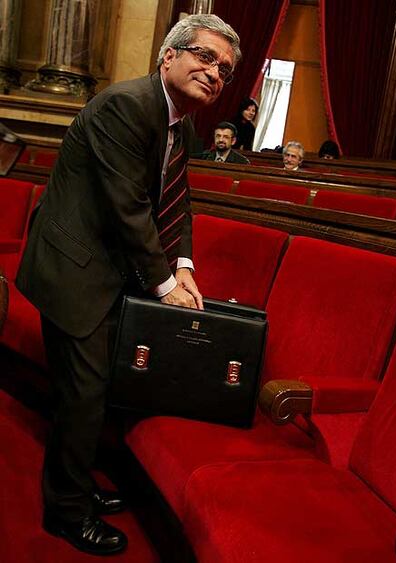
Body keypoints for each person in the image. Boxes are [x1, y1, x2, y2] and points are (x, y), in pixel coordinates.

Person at [16, 14, 241, 556]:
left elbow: (177, 200)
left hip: (110, 269)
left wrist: (184, 264)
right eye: (204, 57)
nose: (214, 73)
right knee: (84, 393)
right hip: (72, 267)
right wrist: (165, 287)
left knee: (98, 390)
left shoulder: (179, 123)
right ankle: (65, 512)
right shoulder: (126, 104)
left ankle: (79, 486)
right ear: (168, 56)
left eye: (225, 70)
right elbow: (128, 208)